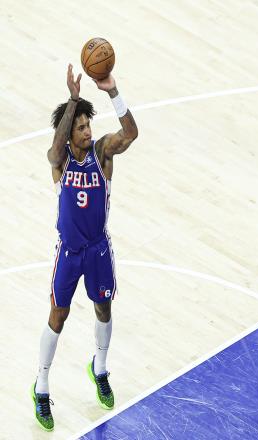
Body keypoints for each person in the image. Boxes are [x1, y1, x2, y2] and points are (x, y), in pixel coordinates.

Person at [32, 64, 138, 431]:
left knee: (103, 308)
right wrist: (73, 99)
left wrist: (113, 91)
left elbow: (131, 133)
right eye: (80, 127)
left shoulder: (102, 152)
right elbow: (53, 150)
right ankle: (41, 386)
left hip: (97, 250)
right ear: (68, 133)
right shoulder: (59, 160)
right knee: (58, 315)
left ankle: (100, 368)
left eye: (87, 125)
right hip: (69, 252)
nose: (87, 130)